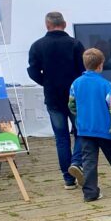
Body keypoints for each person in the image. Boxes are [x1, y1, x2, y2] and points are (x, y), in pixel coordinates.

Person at [67, 48, 111, 202]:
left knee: (89, 160)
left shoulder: (76, 84)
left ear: (84, 64)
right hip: (105, 128)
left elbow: (71, 105)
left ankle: (90, 192)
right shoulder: (106, 85)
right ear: (100, 65)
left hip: (85, 129)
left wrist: (80, 116)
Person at [27, 11, 85, 190]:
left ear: (47, 25)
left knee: (61, 138)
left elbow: (33, 71)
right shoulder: (75, 44)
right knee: (81, 132)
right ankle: (76, 162)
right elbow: (84, 71)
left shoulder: (37, 46)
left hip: (53, 97)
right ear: (65, 24)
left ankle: (68, 179)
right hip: (74, 97)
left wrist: (46, 82)